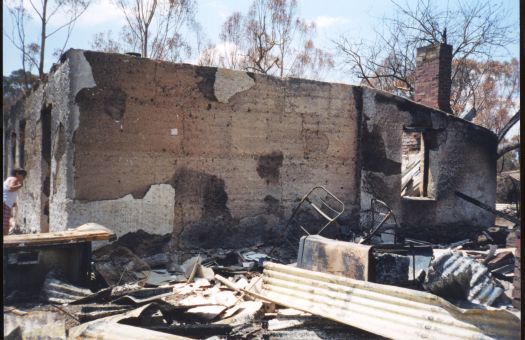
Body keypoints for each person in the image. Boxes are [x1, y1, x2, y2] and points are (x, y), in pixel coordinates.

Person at [3, 168, 27, 236]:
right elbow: (10, 188)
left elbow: (6, 191)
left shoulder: (9, 179)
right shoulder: (14, 179)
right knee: (5, 225)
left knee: (6, 224)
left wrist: (12, 202)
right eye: (23, 175)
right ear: (17, 174)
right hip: (5, 203)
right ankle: (6, 240)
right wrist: (20, 185)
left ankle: (6, 239)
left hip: (5, 202)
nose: (23, 177)